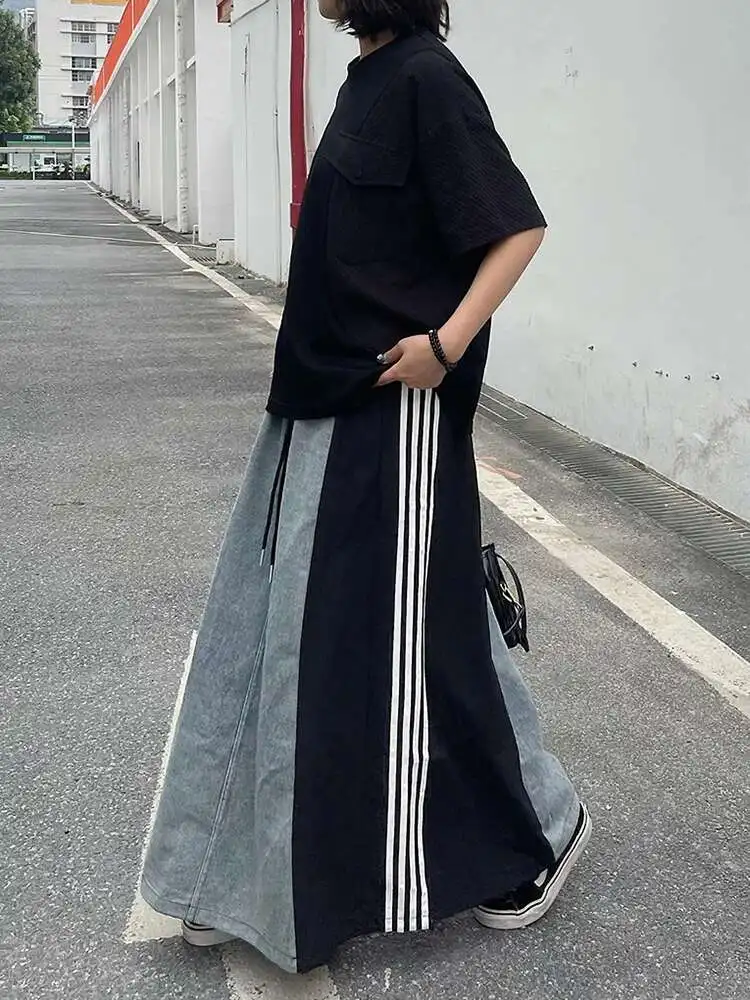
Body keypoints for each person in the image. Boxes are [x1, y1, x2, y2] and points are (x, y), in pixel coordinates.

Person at [141, 0, 590, 974]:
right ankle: (244, 867)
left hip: (391, 409)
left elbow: (516, 228)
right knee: (297, 626)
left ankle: (536, 830)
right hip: (316, 402)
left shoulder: (428, 78)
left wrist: (445, 346)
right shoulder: (368, 79)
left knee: (389, 641)